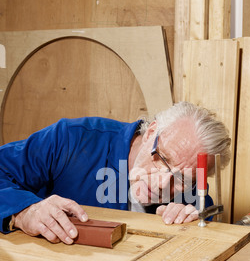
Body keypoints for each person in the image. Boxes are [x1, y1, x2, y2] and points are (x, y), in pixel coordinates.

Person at [0, 102, 231, 245]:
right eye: (163, 159)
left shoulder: (191, 187)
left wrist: (188, 225)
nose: (162, 184)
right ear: (151, 131)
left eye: (182, 179)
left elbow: (204, 217)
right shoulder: (72, 139)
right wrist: (22, 211)